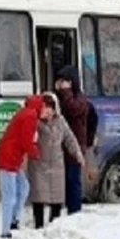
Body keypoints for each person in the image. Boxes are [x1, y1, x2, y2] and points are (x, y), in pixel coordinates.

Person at [0, 94, 48, 238]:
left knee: (23, 187)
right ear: (40, 106)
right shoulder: (30, 116)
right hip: (9, 158)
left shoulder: (26, 113)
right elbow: (26, 140)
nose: (46, 110)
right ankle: (5, 231)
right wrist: (35, 153)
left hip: (12, 157)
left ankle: (14, 220)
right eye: (44, 107)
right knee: (10, 195)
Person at [28, 93, 84, 229]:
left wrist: (77, 154)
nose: (45, 110)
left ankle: (54, 226)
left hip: (57, 165)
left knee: (57, 197)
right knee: (39, 197)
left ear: (54, 109)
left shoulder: (61, 121)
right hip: (39, 164)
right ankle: (39, 225)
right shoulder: (34, 122)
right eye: (43, 107)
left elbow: (70, 139)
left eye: (48, 107)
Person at [55, 66, 90, 214]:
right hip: (63, 146)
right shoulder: (62, 97)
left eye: (65, 81)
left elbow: (73, 110)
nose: (62, 85)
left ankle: (75, 210)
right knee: (65, 180)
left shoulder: (79, 98)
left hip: (75, 146)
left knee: (73, 180)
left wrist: (66, 92)